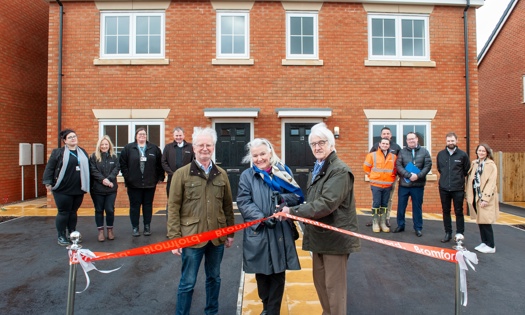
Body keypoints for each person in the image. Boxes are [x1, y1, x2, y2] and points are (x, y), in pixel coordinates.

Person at [282, 123, 360, 315]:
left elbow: (326, 204)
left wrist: (292, 211)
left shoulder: (339, 170)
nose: (317, 147)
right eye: (313, 144)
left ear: (331, 144)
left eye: (321, 143)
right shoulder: (318, 168)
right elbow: (314, 201)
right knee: (321, 286)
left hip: (334, 239)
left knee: (334, 290)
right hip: (319, 238)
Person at [167, 127, 235, 315]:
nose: (205, 148)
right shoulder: (181, 174)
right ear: (194, 147)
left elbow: (228, 206)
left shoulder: (221, 174)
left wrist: (230, 233)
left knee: (214, 279)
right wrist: (174, 237)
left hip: (217, 238)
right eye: (200, 145)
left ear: (213, 147)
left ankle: (211, 312)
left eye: (208, 145)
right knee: (187, 283)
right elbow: (173, 207)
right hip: (191, 238)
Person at [237, 138, 304, 315]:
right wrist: (261, 218)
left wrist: (283, 201)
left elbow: (296, 196)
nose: (259, 158)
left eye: (262, 154)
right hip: (259, 230)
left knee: (278, 274)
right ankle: (266, 306)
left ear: (270, 153)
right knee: (262, 273)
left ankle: (272, 311)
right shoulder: (247, 176)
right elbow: (244, 201)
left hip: (280, 230)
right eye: (255, 155)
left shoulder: (283, 172)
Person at [43, 129, 90, 246]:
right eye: (70, 137)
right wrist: (48, 182)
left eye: (74, 136)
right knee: (64, 212)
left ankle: (72, 233)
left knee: (73, 212)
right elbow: (50, 168)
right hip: (62, 189)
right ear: (65, 141)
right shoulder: (58, 153)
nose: (73, 138)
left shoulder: (82, 152)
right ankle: (61, 235)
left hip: (78, 188)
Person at [119, 128, 165, 237]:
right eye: (140, 134)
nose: (142, 136)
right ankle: (135, 227)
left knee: (148, 206)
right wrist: (127, 177)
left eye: (144, 134)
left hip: (149, 183)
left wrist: (160, 177)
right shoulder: (128, 148)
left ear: (146, 136)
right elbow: (123, 164)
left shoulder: (154, 149)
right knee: (135, 206)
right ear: (136, 136)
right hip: (133, 184)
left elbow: (160, 164)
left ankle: (147, 226)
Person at [393, 132, 432, 237]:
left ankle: (418, 228)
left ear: (417, 139)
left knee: (417, 207)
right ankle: (400, 225)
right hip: (404, 185)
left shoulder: (424, 152)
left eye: (413, 139)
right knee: (401, 206)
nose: (411, 141)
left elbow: (428, 166)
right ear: (406, 141)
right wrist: (409, 175)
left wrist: (418, 176)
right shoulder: (402, 152)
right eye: (409, 139)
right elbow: (398, 165)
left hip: (418, 185)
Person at [466, 143, 499, 254]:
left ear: (487, 153)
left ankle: (491, 245)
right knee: (480, 220)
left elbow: (491, 183)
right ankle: (484, 242)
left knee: (486, 221)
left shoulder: (491, 165)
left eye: (483, 151)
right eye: (479, 151)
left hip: (485, 197)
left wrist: (485, 198)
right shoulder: (475, 163)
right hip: (476, 195)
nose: (481, 153)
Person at [436, 132, 470, 243]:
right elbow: (440, 169)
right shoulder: (441, 154)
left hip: (458, 189)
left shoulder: (462, 155)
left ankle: (460, 234)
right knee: (446, 211)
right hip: (444, 188)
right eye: (449, 141)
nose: (450, 143)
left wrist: (458, 180)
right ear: (446, 142)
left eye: (452, 141)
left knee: (459, 211)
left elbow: (466, 170)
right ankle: (448, 233)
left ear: (456, 141)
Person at [367, 126, 402, 227]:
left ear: (391, 135)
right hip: (377, 180)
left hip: (390, 179)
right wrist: (371, 175)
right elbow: (369, 162)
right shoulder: (375, 146)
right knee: (376, 199)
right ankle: (375, 219)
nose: (386, 135)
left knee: (388, 199)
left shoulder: (396, 147)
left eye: (388, 133)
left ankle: (386, 218)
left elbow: (400, 162)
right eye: (384, 134)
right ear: (381, 136)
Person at [89, 135, 120, 242]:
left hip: (111, 189)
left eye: (106, 144)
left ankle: (110, 230)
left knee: (110, 210)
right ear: (99, 146)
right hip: (97, 189)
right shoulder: (93, 157)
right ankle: (101, 232)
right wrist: (103, 180)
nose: (104, 146)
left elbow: (116, 170)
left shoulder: (114, 157)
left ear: (109, 145)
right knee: (99, 210)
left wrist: (109, 180)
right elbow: (93, 171)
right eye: (102, 144)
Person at [363, 138, 397, 233]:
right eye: (383, 143)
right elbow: (366, 167)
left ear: (389, 145)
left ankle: (383, 223)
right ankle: (375, 222)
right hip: (376, 184)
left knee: (385, 204)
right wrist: (372, 176)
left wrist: (391, 178)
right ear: (380, 144)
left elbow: (395, 170)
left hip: (387, 185)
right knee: (376, 203)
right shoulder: (372, 155)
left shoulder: (393, 157)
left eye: (387, 144)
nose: (385, 145)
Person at [161, 127, 194, 198]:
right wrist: (171, 173)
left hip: (186, 178)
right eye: (176, 135)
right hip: (172, 178)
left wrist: (188, 172)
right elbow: (163, 162)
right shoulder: (168, 147)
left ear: (184, 135)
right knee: (171, 198)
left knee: (186, 198)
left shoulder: (190, 147)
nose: (178, 137)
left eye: (180, 135)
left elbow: (194, 161)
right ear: (173, 136)